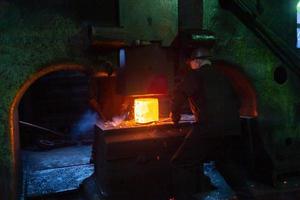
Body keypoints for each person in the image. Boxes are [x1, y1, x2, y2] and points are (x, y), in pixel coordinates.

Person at [170, 47, 241, 199]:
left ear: (196, 61)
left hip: (208, 129)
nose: (190, 66)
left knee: (181, 163)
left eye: (191, 63)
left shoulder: (196, 75)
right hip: (232, 128)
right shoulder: (223, 75)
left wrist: (174, 116)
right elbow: (236, 100)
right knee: (224, 163)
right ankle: (247, 196)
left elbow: (179, 94)